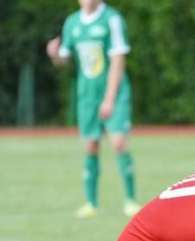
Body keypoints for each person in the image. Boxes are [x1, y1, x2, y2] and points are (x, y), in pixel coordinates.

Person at [46, 0, 140, 218]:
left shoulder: (112, 19)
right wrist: (54, 55)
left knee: (119, 143)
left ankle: (130, 200)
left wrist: (108, 99)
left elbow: (118, 61)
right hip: (86, 95)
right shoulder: (72, 23)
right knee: (90, 146)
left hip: (113, 93)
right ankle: (91, 203)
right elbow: (64, 61)